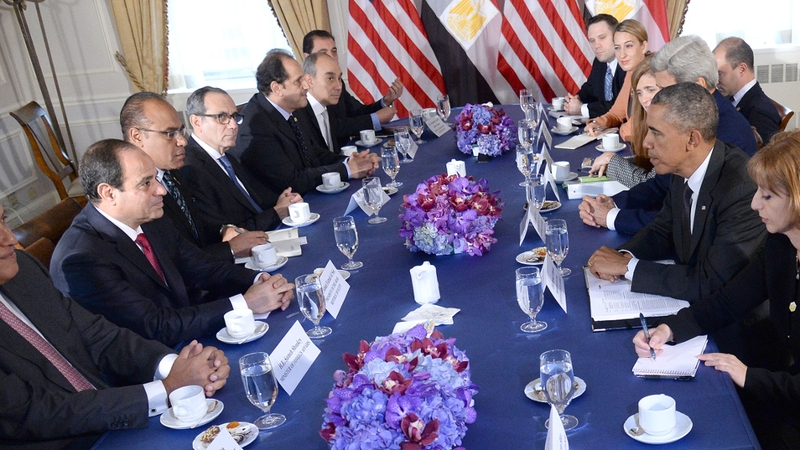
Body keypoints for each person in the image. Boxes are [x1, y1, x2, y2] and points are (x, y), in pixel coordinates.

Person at [0, 204, 230, 448]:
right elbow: (32, 413)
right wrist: (167, 388)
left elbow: (98, 335)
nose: (11, 238)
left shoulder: (23, 270)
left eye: (3, 220)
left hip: (115, 424)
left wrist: (181, 367)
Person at [633, 130, 800, 449]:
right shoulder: (780, 246)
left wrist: (749, 376)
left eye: (766, 195)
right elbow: (728, 301)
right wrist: (670, 328)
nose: (754, 204)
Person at [50, 139, 294, 346]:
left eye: (156, 179)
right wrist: (246, 302)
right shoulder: (82, 259)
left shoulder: (151, 217)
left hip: (188, 332)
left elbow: (201, 267)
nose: (161, 190)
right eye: (146, 183)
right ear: (109, 193)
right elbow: (155, 326)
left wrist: (259, 282)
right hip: (155, 361)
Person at [586, 82, 766, 303]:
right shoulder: (683, 167)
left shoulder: (741, 189)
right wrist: (624, 256)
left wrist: (628, 267)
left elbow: (711, 281)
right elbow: (664, 228)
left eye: (656, 133)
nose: (646, 142)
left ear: (692, 139)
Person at [580, 35, 758, 235]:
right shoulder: (689, 118)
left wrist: (612, 217)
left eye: (665, 90)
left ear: (697, 86)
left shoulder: (725, 133)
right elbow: (663, 185)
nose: (657, 99)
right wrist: (613, 202)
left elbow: (686, 219)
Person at [121, 92, 269, 260]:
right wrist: (230, 249)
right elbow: (175, 260)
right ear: (137, 136)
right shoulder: (133, 195)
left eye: (180, 132)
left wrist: (224, 229)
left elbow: (199, 228)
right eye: (170, 134)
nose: (182, 142)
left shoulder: (173, 173)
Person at [232, 49, 379, 195]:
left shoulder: (292, 107)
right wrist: (347, 169)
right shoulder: (255, 128)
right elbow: (292, 181)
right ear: (277, 88)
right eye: (298, 81)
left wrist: (352, 161)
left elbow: (314, 153)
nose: (307, 86)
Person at [179, 86, 303, 240]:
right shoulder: (190, 169)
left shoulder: (227, 156)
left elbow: (254, 201)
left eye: (234, 116)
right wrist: (277, 212)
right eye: (222, 117)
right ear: (196, 122)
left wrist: (284, 200)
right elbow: (227, 233)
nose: (233, 125)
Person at [302, 29, 403, 146]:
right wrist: (375, 119)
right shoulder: (301, 97)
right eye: (323, 53)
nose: (331, 57)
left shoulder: (338, 84)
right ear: (307, 57)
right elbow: (335, 126)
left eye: (334, 51)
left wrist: (386, 101)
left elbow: (357, 112)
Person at [588, 54, 658, 185]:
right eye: (639, 93)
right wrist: (613, 162)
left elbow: (652, 183)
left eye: (650, 90)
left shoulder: (673, 127)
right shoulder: (648, 120)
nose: (644, 99)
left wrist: (612, 160)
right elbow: (648, 164)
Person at [584, 19, 649, 142]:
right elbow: (616, 113)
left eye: (628, 46)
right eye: (617, 48)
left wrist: (617, 129)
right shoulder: (632, 73)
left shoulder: (651, 77)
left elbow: (635, 130)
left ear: (643, 46)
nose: (622, 54)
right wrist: (597, 123)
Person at [714, 36, 781, 145]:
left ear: (742, 69)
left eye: (720, 74)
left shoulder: (761, 112)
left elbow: (763, 158)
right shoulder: (732, 98)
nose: (716, 81)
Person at [564, 14, 626, 118]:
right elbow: (590, 88)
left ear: (617, 36)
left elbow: (619, 106)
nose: (597, 45)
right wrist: (576, 99)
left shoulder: (627, 63)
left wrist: (581, 109)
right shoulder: (599, 62)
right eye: (592, 40)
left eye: (602, 38)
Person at [298, 52, 344, 153]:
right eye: (330, 78)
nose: (339, 86)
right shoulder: (298, 115)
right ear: (309, 80)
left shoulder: (330, 106)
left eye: (339, 78)